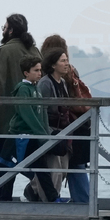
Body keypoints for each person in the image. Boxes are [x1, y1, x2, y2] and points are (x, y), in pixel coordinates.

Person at [0, 55, 59, 202]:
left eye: (40, 70)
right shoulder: (23, 89)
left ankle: (53, 197)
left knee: (40, 167)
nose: (39, 73)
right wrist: (42, 133)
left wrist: (44, 131)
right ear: (26, 73)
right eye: (36, 70)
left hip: (31, 135)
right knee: (5, 164)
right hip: (19, 135)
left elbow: (42, 113)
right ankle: (2, 198)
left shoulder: (36, 88)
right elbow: (26, 113)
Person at [41, 34, 92, 204]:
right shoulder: (67, 73)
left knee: (63, 166)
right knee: (73, 167)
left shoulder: (55, 77)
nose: (65, 63)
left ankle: (45, 195)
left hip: (66, 127)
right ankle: (83, 202)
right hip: (74, 125)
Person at [0, 14, 42, 147]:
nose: (3, 31)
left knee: (4, 161)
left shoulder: (4, 51)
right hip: (34, 120)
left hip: (6, 121)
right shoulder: (35, 51)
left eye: (5, 27)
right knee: (32, 161)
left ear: (11, 31)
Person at [36, 48, 73, 201]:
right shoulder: (45, 83)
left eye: (66, 60)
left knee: (64, 169)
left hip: (62, 131)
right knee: (55, 170)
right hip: (50, 131)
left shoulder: (63, 82)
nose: (66, 64)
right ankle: (51, 201)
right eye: (63, 61)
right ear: (53, 65)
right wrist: (47, 133)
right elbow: (41, 109)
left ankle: (33, 190)